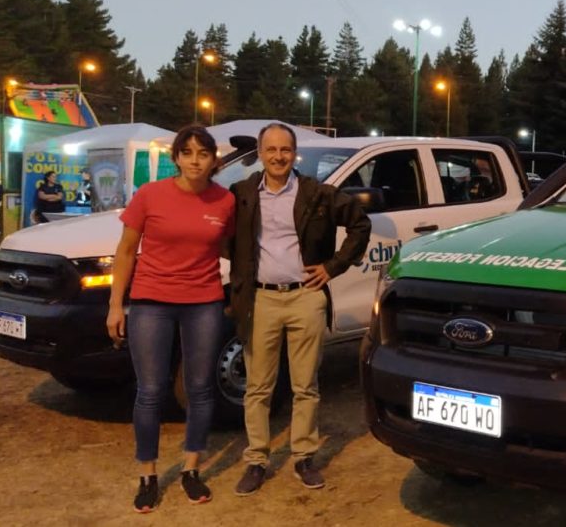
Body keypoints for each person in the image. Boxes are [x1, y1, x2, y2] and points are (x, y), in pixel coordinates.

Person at [228, 123, 371, 496]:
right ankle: (257, 460)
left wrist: (333, 266)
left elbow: (360, 223)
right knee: (258, 387)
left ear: (295, 154)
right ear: (260, 153)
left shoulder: (318, 194)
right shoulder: (242, 194)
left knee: (305, 385)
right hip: (261, 299)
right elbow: (222, 236)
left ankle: (303, 456)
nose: (278, 156)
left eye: (285, 150)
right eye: (271, 149)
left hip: (305, 297)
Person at [105, 125, 235, 513]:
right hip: (151, 302)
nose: (195, 160)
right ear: (176, 157)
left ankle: (191, 469)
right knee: (150, 390)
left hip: (204, 302)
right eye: (188, 152)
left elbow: (234, 246)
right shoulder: (150, 195)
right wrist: (116, 305)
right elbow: (126, 251)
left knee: (199, 388)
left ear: (213, 160)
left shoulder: (225, 201)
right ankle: (147, 474)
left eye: (203, 153)